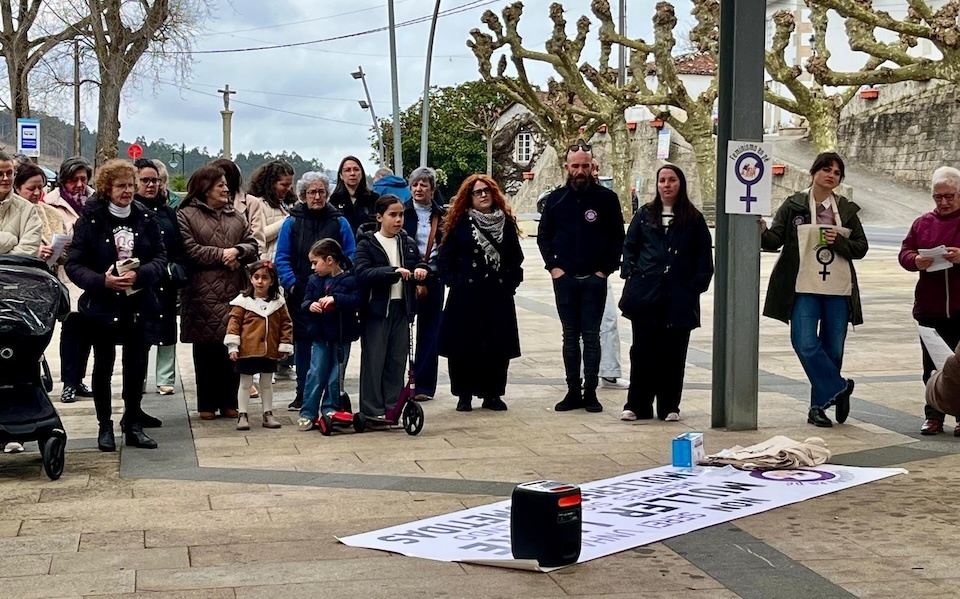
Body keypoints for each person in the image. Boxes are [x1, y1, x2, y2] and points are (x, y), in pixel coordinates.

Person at [760, 152, 868, 428]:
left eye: (837, 172)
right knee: (805, 343)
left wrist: (838, 242)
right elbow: (774, 240)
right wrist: (761, 230)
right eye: (826, 169)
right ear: (814, 171)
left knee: (833, 349)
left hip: (838, 289)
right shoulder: (794, 204)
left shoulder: (845, 209)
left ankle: (817, 408)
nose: (831, 175)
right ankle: (839, 387)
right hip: (802, 286)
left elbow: (860, 247)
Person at [65, 159, 167, 451]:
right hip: (102, 305)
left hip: (138, 303)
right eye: (121, 186)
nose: (127, 191)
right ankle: (104, 426)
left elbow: (160, 257)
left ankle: (133, 423)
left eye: (131, 185)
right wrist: (102, 281)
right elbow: (74, 264)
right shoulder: (91, 219)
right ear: (106, 189)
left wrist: (140, 274)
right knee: (103, 367)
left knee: (136, 365)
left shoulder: (145, 217)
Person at [618, 165, 713, 422]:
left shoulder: (693, 219)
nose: (666, 185)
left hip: (679, 298)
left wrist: (693, 287)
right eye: (662, 180)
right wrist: (632, 273)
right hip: (646, 295)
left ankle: (669, 405)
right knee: (643, 352)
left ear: (680, 184)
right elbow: (630, 246)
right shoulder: (644, 215)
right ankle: (637, 405)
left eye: (671, 180)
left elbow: (704, 258)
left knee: (673, 354)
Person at [538, 140, 625, 413]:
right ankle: (572, 390)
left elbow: (617, 238)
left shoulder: (606, 199)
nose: (580, 171)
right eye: (575, 166)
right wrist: (554, 268)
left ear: (592, 166)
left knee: (592, 336)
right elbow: (544, 237)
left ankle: (591, 392)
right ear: (566, 167)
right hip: (564, 279)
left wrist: (603, 271)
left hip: (594, 279)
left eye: (585, 166)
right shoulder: (555, 200)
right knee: (569, 336)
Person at [178, 165, 259, 420]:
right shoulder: (186, 215)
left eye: (226, 184)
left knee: (232, 345)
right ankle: (206, 404)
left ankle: (229, 402)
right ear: (205, 188)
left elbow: (252, 245)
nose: (226, 189)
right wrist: (223, 254)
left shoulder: (236, 215)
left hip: (234, 290)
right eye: (220, 185)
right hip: (201, 292)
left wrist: (238, 252)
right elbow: (190, 250)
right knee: (206, 350)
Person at [438, 175, 523, 412]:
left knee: (497, 346)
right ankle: (463, 394)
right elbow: (446, 257)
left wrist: (510, 283)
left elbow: (515, 257)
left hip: (497, 294)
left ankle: (492, 394)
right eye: (478, 192)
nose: (483, 195)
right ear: (469, 197)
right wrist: (454, 280)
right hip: (466, 295)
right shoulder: (459, 224)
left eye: (487, 190)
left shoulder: (505, 223)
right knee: (463, 347)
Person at [275, 171, 356, 412]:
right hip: (302, 292)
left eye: (321, 192)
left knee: (332, 345)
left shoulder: (339, 222)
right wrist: (292, 284)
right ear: (303, 195)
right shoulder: (292, 222)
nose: (317, 197)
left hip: (334, 293)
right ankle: (303, 393)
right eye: (312, 192)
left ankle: (332, 397)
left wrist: (341, 283)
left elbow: (350, 256)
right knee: (304, 343)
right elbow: (282, 257)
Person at [354, 195, 427, 422]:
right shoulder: (367, 244)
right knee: (374, 361)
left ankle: (392, 408)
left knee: (397, 361)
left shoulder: (407, 242)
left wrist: (422, 270)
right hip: (377, 311)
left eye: (401, 215)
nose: (398, 220)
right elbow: (362, 272)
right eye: (392, 215)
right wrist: (391, 272)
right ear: (379, 217)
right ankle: (372, 410)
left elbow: (418, 262)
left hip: (402, 308)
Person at [899, 166, 960, 435]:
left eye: (949, 196)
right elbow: (905, 252)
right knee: (933, 366)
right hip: (930, 309)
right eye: (938, 197)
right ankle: (933, 415)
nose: (943, 202)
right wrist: (915, 260)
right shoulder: (922, 223)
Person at [44, 156, 96, 404]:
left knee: (88, 330)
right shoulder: (51, 203)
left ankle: (79, 379)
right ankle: (68, 382)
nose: (79, 185)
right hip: (65, 272)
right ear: (63, 180)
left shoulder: (95, 201)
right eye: (73, 180)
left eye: (83, 179)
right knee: (72, 328)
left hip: (90, 272)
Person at [298, 239, 362, 430]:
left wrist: (336, 299)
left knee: (336, 374)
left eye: (315, 262)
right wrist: (310, 305)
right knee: (316, 373)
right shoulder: (314, 280)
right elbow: (305, 302)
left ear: (329, 260)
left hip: (342, 335)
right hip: (320, 335)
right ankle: (308, 412)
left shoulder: (350, 279)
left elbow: (357, 299)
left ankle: (330, 408)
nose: (312, 267)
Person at [134, 158, 185, 399]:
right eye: (145, 180)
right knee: (139, 331)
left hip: (166, 279)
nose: (151, 185)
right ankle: (138, 378)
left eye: (155, 180)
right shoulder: (130, 211)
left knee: (167, 327)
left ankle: (165, 378)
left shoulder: (167, 212)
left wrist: (177, 268)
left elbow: (178, 246)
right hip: (140, 279)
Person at [225, 261, 293, 430]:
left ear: (272, 281)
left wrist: (284, 344)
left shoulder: (278, 302)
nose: (260, 281)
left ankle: (268, 413)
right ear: (251, 279)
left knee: (267, 383)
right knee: (245, 383)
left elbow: (286, 324)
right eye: (256, 277)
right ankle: (242, 414)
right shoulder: (243, 302)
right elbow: (234, 324)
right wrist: (233, 346)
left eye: (265, 278)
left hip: (269, 350)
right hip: (247, 350)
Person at [403, 166, 446, 402]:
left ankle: (424, 385)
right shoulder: (401, 211)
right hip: (406, 276)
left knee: (430, 332)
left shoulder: (442, 215)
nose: (419, 188)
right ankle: (399, 381)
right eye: (415, 184)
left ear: (432, 189)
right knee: (402, 331)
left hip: (434, 277)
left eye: (424, 185)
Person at [590, 158, 629, 390]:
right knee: (579, 328)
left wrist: (607, 266)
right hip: (574, 274)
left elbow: (617, 235)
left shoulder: (607, 198)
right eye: (590, 167)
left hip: (601, 272)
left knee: (609, 321)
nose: (594, 172)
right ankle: (583, 374)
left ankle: (610, 372)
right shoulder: (564, 198)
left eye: (596, 167)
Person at [210, 158, 266, 257]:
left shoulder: (250, 203)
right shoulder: (206, 202)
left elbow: (258, 241)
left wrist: (238, 256)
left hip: (244, 261)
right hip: (214, 259)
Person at [247, 160, 296, 261]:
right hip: (268, 262)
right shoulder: (258, 204)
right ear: (271, 183)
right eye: (284, 185)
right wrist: (287, 221)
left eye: (290, 185)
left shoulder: (292, 203)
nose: (288, 188)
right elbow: (260, 235)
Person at [14, 164, 62, 263]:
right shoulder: (8, 213)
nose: (37, 193)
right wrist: (32, 252)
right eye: (31, 189)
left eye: (40, 188)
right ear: (17, 188)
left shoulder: (54, 214)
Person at [0, 151, 41, 257]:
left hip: (15, 268)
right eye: (0, 174)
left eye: (9, 173)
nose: (5, 178)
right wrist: (11, 240)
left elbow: (29, 250)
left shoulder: (28, 210)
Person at [330, 156, 379, 234]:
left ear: (361, 174)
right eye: (347, 170)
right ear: (341, 175)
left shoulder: (374, 199)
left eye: (356, 169)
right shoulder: (334, 200)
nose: (352, 173)